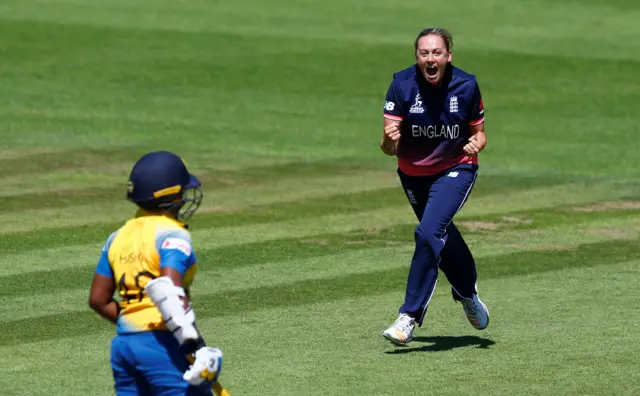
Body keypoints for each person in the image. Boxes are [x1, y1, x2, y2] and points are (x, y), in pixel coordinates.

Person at [380, 27, 490, 346]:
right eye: (424, 53)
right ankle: (467, 292)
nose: (430, 58)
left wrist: (476, 144)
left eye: (436, 53)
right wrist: (388, 141)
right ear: (417, 57)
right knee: (440, 233)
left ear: (448, 56)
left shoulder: (466, 85)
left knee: (428, 232)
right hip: (413, 174)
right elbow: (388, 146)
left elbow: (480, 133)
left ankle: (409, 317)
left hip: (456, 169)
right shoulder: (401, 85)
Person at [89, 151, 224, 395]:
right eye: (181, 192)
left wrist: (134, 326)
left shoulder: (116, 237)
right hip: (163, 345)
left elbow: (98, 300)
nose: (184, 197)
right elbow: (169, 290)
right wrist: (197, 346)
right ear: (169, 197)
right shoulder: (172, 234)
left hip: (124, 346)